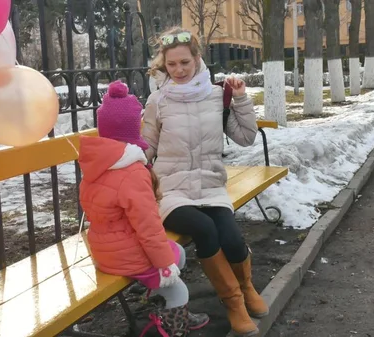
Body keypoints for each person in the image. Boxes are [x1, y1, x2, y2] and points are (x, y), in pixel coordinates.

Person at [142, 27, 266, 337]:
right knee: (204, 229)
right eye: (171, 65)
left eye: (185, 62)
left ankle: (247, 287)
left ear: (197, 59)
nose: (179, 70)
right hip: (172, 190)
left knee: (233, 240)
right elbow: (146, 149)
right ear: (163, 66)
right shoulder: (158, 100)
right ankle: (234, 304)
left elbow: (247, 137)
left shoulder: (217, 94)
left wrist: (240, 99)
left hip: (211, 186)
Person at [78, 80, 209, 337]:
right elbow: (148, 227)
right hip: (131, 255)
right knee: (179, 288)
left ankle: (158, 295)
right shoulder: (132, 172)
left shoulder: (96, 164)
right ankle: (175, 328)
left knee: (179, 252)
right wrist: (164, 266)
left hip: (105, 250)